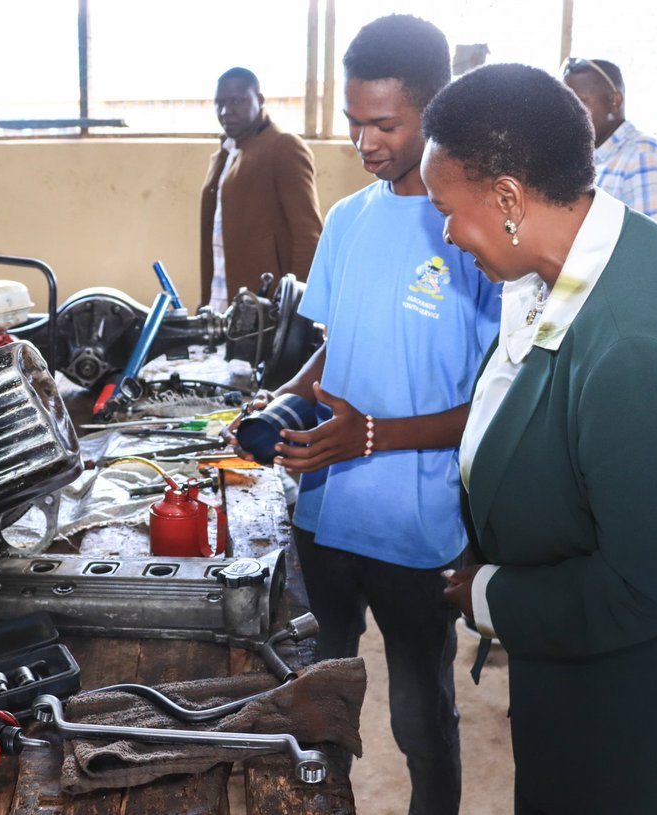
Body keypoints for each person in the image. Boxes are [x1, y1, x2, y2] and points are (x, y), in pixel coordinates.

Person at [422, 63, 657, 815]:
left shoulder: (639, 343)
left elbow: (656, 582)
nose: (444, 231)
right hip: (609, 647)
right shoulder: (564, 264)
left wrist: (493, 593)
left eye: (447, 209)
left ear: (507, 197)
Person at [231, 16, 500, 815]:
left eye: (386, 124)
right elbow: (335, 352)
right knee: (317, 709)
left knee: (423, 717)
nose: (365, 142)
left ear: (436, 111)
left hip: (418, 534)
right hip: (327, 519)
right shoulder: (348, 220)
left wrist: (374, 434)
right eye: (354, 123)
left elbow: (494, 408)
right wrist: (286, 400)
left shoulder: (475, 233)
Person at [200, 67, 322, 310]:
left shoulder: (283, 147)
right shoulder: (223, 155)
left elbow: (308, 236)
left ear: (260, 100)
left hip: (266, 305)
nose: (225, 111)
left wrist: (297, 308)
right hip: (222, 296)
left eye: (236, 101)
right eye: (219, 103)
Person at [562, 57, 657, 236]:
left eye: (580, 103)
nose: (570, 115)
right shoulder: (592, 158)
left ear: (614, 102)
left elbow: (651, 252)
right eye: (566, 106)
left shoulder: (645, 156)